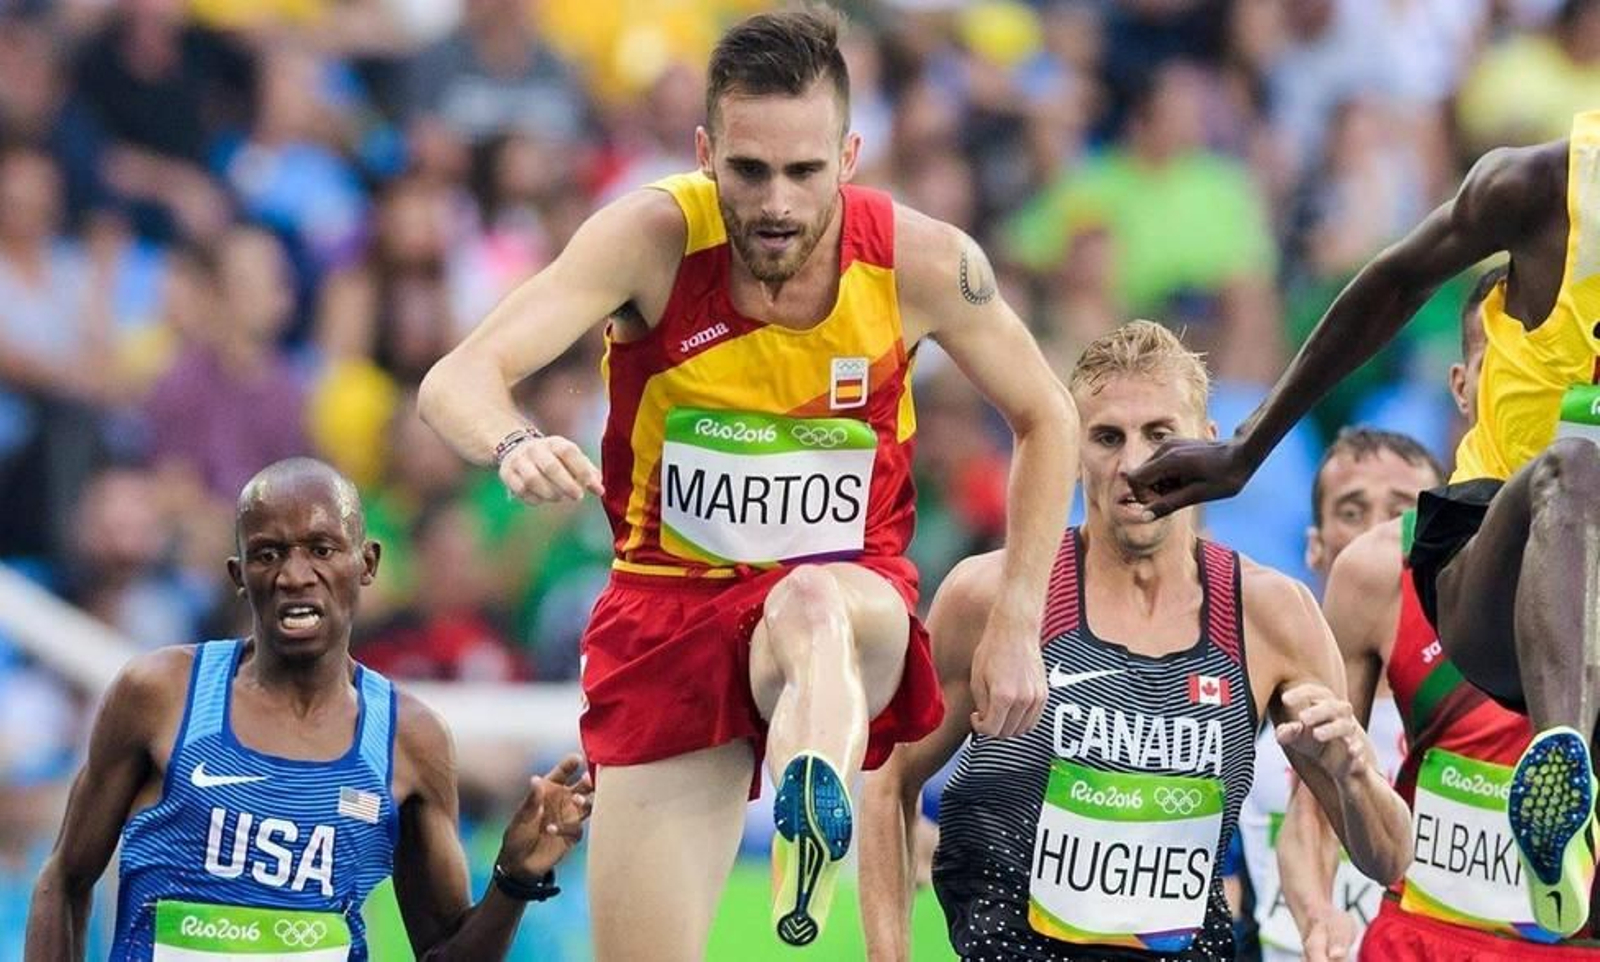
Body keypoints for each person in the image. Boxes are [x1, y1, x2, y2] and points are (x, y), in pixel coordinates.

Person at [417, 9, 1077, 958]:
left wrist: (1018, 618)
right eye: (750, 170)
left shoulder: (922, 261)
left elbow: (1048, 416)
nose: (776, 203)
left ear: (850, 155)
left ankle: (811, 818)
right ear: (704, 150)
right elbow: (457, 380)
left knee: (809, 604)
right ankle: (809, 787)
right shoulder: (649, 237)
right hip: (669, 614)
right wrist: (513, 441)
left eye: (805, 173)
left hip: (851, 605)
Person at [1130, 112, 1600, 939]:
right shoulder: (1540, 188)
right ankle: (1564, 774)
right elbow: (1392, 284)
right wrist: (1246, 449)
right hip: (1493, 570)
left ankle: (1562, 845)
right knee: (1572, 470)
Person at [859, 321, 1413, 962]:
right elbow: (888, 779)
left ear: (1208, 444)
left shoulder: (1272, 615)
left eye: (1160, 435)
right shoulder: (996, 599)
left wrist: (1352, 776)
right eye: (1106, 437)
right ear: (1069, 452)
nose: (1134, 463)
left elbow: (1389, 857)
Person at [25, 458, 592, 960]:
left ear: (365, 563)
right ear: (238, 576)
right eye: (268, 554)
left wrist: (514, 879)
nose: (295, 577)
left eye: (321, 550)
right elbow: (65, 878)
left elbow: (442, 954)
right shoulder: (160, 693)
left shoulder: (406, 738)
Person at [1281, 265, 1600, 959]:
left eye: (1555, 365)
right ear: (1461, 385)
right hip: (1425, 938)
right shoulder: (1374, 571)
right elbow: (1314, 801)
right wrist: (1316, 917)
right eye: (1507, 362)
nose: (1533, 385)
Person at [1239, 426, 1443, 961]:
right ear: (1315, 544)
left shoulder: (1468, 706)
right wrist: (1317, 916)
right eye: (1353, 512)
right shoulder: (1256, 694)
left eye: (1403, 516)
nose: (1378, 536)